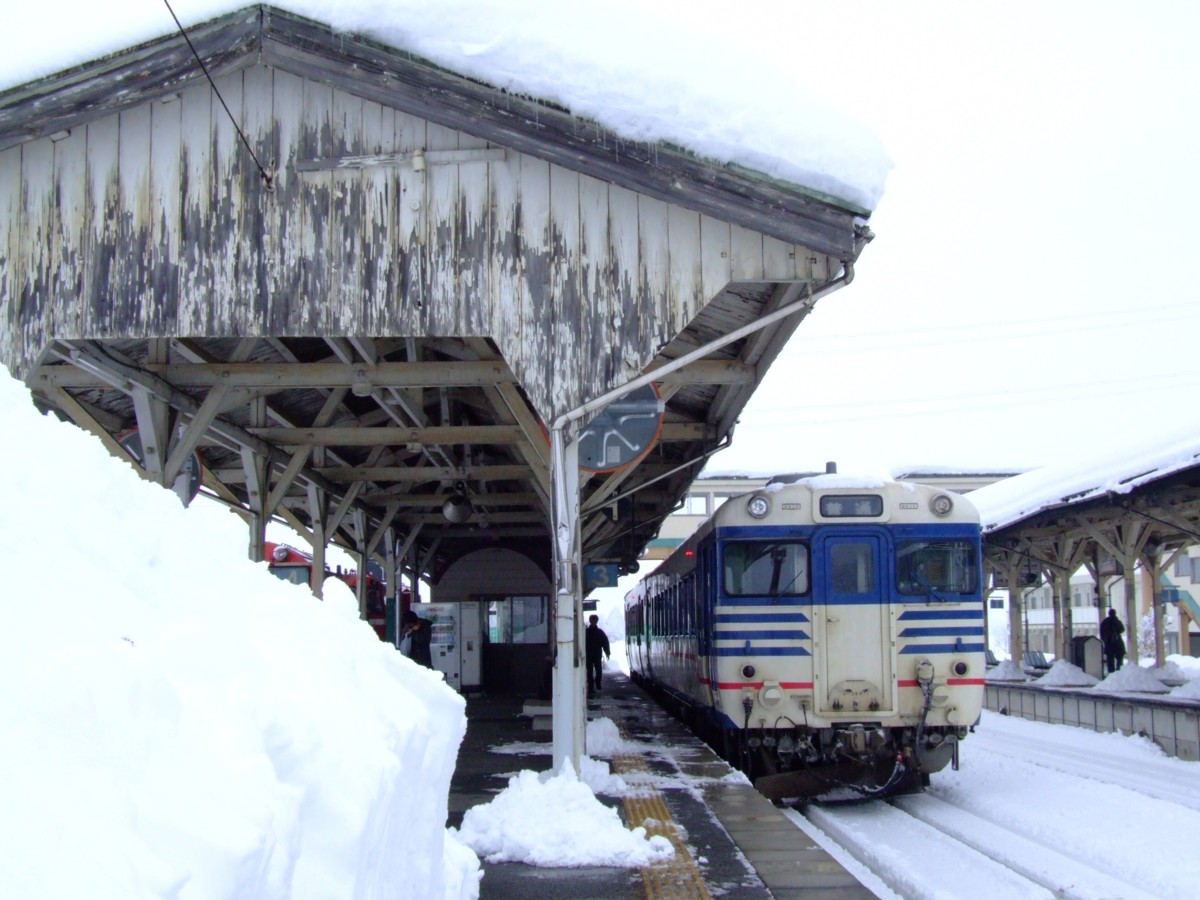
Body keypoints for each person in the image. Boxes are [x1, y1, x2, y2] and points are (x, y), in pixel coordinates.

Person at [584, 613, 610, 696]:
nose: (593, 622)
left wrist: (607, 652)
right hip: (596, 654)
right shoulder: (600, 632)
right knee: (597, 670)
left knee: (590, 671)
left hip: (589, 654)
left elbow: (605, 642)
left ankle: (592, 686)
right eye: (593, 620)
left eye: (594, 620)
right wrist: (607, 653)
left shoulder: (586, 632)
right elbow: (605, 642)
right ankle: (596, 684)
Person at [1100, 608, 1126, 674]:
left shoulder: (1105, 622)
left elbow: (1102, 633)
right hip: (1117, 643)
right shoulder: (1117, 621)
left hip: (1109, 643)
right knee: (1119, 658)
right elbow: (1122, 629)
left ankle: (1112, 673)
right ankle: (1119, 671)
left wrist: (1105, 639)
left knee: (1110, 659)